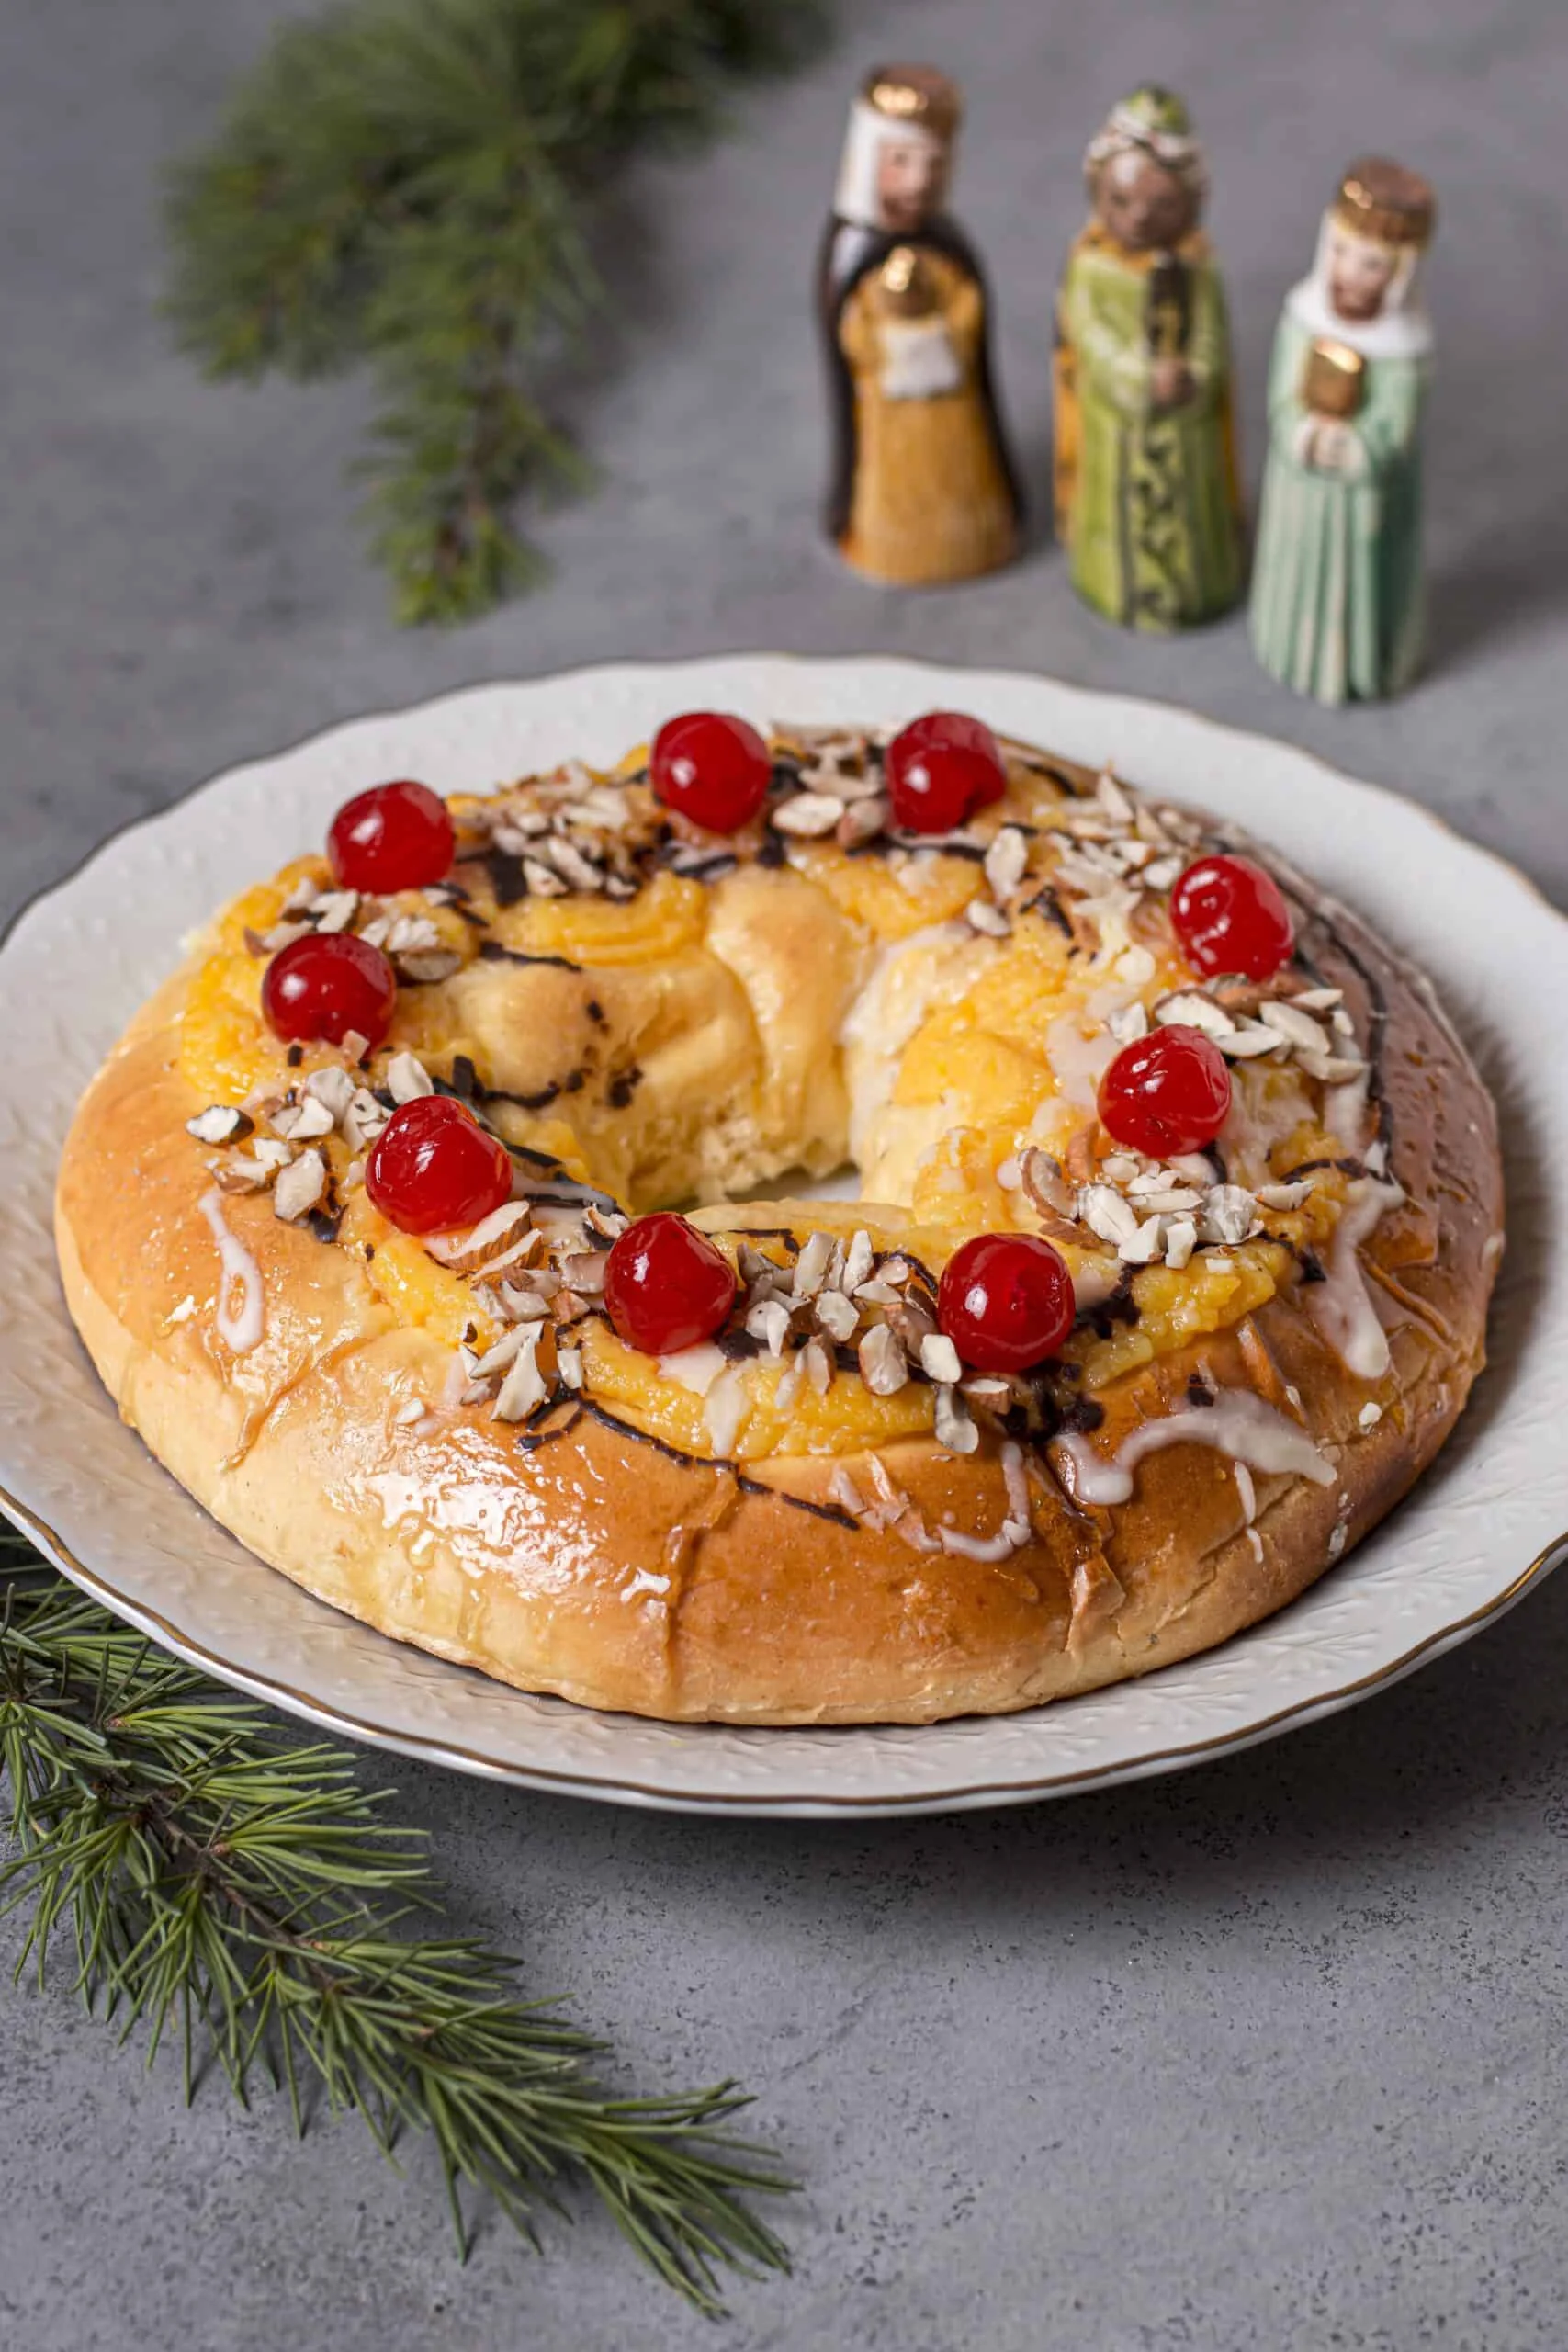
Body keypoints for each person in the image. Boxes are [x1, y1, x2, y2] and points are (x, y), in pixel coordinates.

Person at [818, 64, 1022, 585]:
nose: (919, 180)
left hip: (954, 418)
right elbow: (849, 339)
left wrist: (941, 330)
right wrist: (886, 336)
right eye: (902, 162)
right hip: (887, 427)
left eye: (933, 165)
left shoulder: (947, 249)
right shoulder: (852, 253)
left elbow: (970, 314)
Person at [1055, 86, 1243, 632]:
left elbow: (1211, 336)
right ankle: (1113, 582)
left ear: (1191, 204)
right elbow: (1089, 336)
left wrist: (1193, 376)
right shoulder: (1091, 268)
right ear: (1097, 195)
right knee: (1118, 516)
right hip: (1115, 427)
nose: (1138, 218)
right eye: (1120, 201)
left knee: (1189, 518)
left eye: (1162, 206)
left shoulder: (1199, 268)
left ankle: (1197, 586)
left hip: (1187, 430)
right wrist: (1139, 377)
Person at [1249, 159, 1437, 704]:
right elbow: (1282, 397)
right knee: (1296, 567)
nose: (1350, 273)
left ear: (1400, 274)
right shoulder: (1305, 315)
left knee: (1359, 584)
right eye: (1340, 252)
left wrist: (1352, 446)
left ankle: (1362, 665)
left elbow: (1394, 430)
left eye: (1371, 264)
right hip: (1301, 485)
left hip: (1364, 505)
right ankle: (1289, 646)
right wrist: (1303, 432)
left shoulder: (1403, 349)